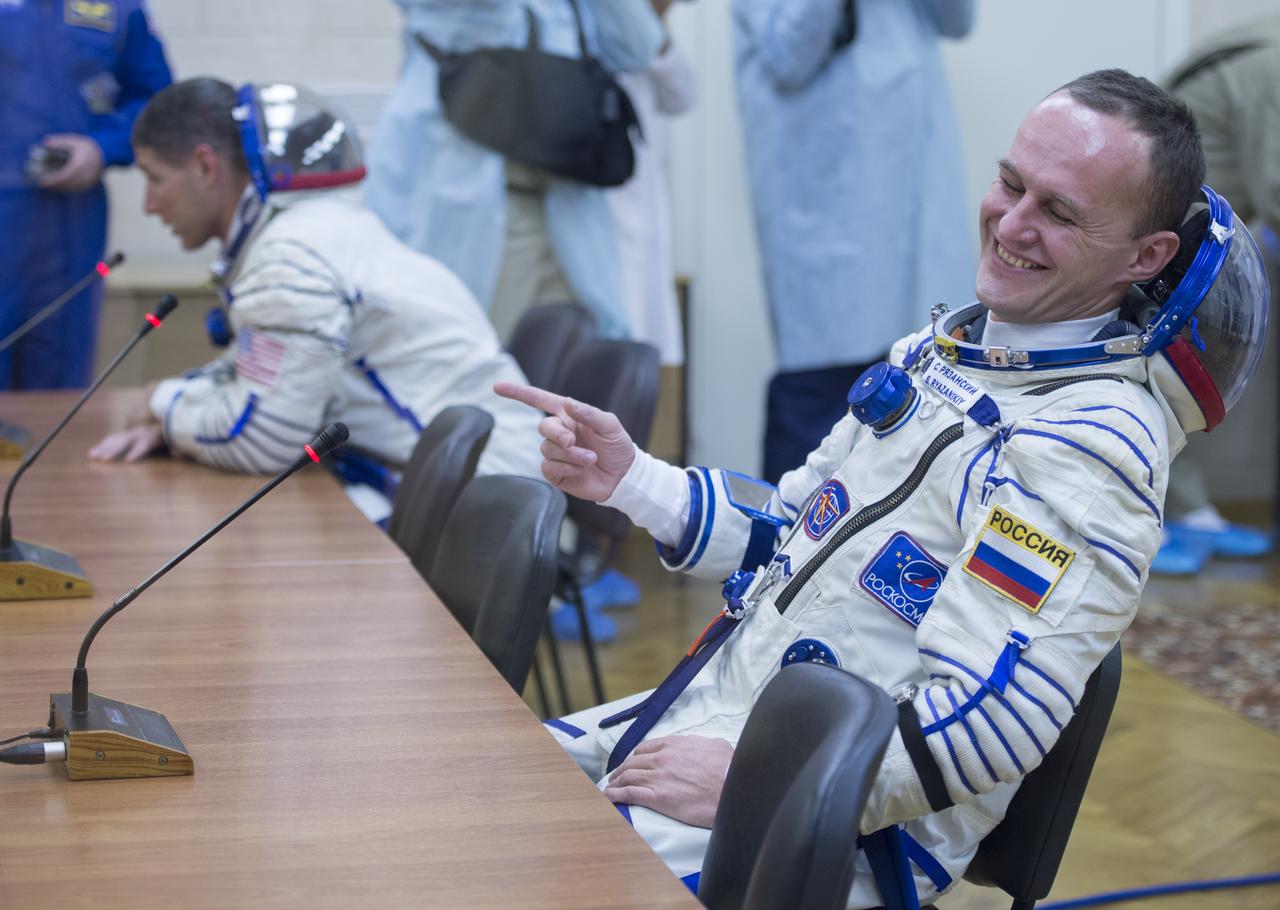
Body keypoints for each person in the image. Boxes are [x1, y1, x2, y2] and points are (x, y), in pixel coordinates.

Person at [496, 70, 1270, 907]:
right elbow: (792, 533)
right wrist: (636, 482)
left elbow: (991, 722)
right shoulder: (939, 355)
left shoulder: (1090, 450)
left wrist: (760, 782)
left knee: (504, 874)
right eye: (1011, 185)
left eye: (1059, 211)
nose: (1011, 225)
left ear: (1147, 256)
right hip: (724, 722)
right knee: (459, 783)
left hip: (835, 825)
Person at [87, 78, 543, 521]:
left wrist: (165, 405)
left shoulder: (289, 260)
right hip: (480, 485)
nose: (148, 204)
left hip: (484, 506)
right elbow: (253, 378)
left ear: (206, 166)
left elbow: (262, 441)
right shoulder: (311, 230)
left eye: (154, 179)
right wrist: (178, 410)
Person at [732, 0, 977, 483]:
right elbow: (789, 54)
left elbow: (958, 21)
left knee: (916, 400)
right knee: (819, 405)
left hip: (911, 204)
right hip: (827, 207)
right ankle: (778, 553)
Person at [364, 0, 665, 342]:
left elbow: (638, 47)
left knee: (570, 371)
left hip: (569, 208)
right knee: (475, 362)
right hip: (471, 199)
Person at [1151, 16, 1280, 574]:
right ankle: (1157, 519)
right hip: (1172, 240)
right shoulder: (1272, 69)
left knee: (1177, 372)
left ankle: (1192, 514)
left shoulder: (1264, 47)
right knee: (1157, 374)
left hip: (1193, 238)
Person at [0, 0, 171, 390]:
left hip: (70, 224)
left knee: (57, 379)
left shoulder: (120, 9)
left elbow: (155, 101)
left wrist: (101, 147)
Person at [606, 0, 696, 366]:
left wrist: (654, 22)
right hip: (602, 201)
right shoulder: (615, 18)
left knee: (633, 355)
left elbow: (682, 94)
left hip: (636, 198)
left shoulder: (646, 31)